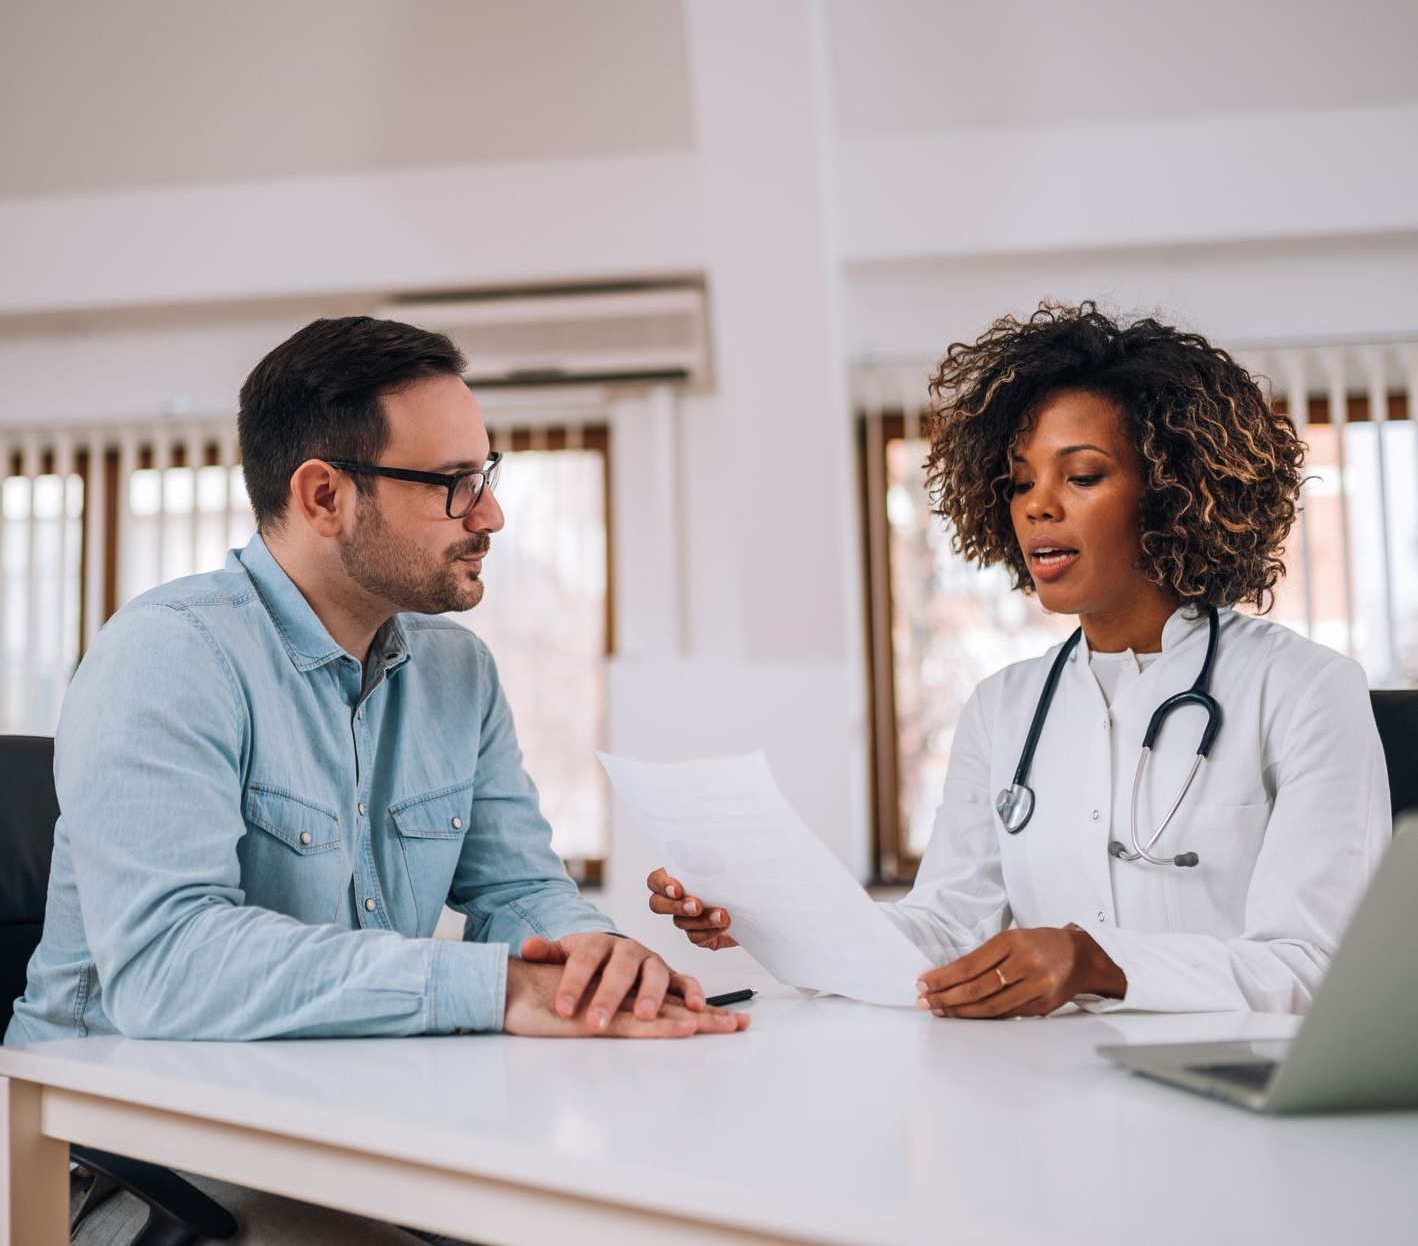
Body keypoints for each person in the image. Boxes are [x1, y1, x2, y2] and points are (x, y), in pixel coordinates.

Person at [7, 316, 746, 1244]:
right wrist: (497, 989)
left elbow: (518, 887)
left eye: (487, 474)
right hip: (121, 1162)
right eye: (452, 485)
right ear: (324, 495)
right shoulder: (168, 656)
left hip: (336, 1123)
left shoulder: (457, 674)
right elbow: (166, 968)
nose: (490, 515)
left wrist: (594, 959)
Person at [647, 302, 1391, 1017]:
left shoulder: (1304, 690)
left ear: (1169, 492)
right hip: (1052, 1096)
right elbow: (942, 928)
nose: (1037, 505)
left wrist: (1095, 962)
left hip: (1238, 1108)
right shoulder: (1004, 709)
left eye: (1083, 474)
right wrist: (769, 916)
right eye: (1021, 480)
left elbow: (1317, 964)